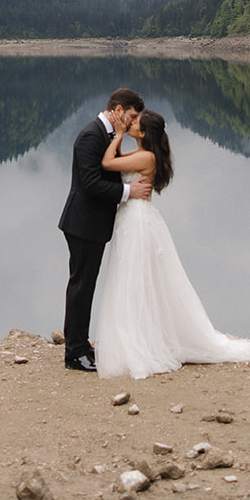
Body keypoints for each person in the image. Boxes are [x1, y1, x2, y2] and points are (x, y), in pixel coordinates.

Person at [89, 109, 250, 379]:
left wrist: (118, 134)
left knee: (134, 279)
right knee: (136, 279)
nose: (131, 123)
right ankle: (140, 337)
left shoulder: (146, 156)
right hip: (134, 219)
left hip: (136, 221)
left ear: (143, 133)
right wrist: (122, 138)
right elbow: (121, 160)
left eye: (135, 123)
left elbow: (108, 163)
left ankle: (140, 341)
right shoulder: (143, 154)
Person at [58, 87, 151, 372]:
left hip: (93, 223)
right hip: (83, 223)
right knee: (81, 285)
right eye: (132, 115)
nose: (135, 121)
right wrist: (128, 191)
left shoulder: (109, 135)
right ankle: (74, 352)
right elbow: (89, 183)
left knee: (86, 285)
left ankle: (82, 345)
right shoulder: (91, 135)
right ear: (119, 109)